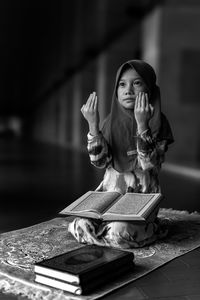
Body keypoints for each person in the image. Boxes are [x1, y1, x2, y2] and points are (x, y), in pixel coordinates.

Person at [68, 59, 174, 248]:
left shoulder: (158, 121)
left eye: (137, 83)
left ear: (149, 88)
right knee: (80, 225)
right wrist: (93, 125)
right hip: (111, 195)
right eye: (122, 84)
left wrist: (143, 126)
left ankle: (152, 228)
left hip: (140, 199)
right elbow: (100, 162)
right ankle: (110, 234)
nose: (128, 90)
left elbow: (149, 164)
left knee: (119, 232)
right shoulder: (110, 122)